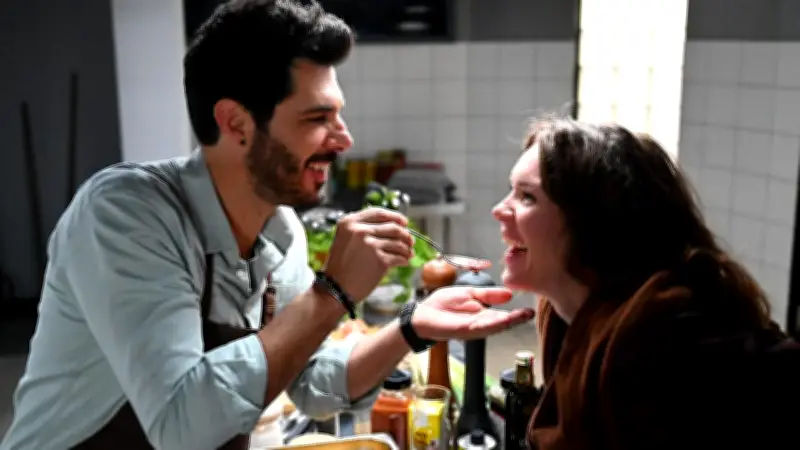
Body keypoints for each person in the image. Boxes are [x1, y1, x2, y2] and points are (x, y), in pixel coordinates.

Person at [0, 2, 535, 449]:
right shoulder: (125, 214)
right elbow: (181, 425)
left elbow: (315, 383)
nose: (344, 139)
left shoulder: (281, 233)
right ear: (236, 122)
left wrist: (411, 328)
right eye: (317, 118)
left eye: (337, 115)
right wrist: (332, 292)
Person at [492, 116, 800, 450]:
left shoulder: (666, 342)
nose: (499, 210)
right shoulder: (570, 314)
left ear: (592, 223)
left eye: (527, 197)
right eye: (511, 191)